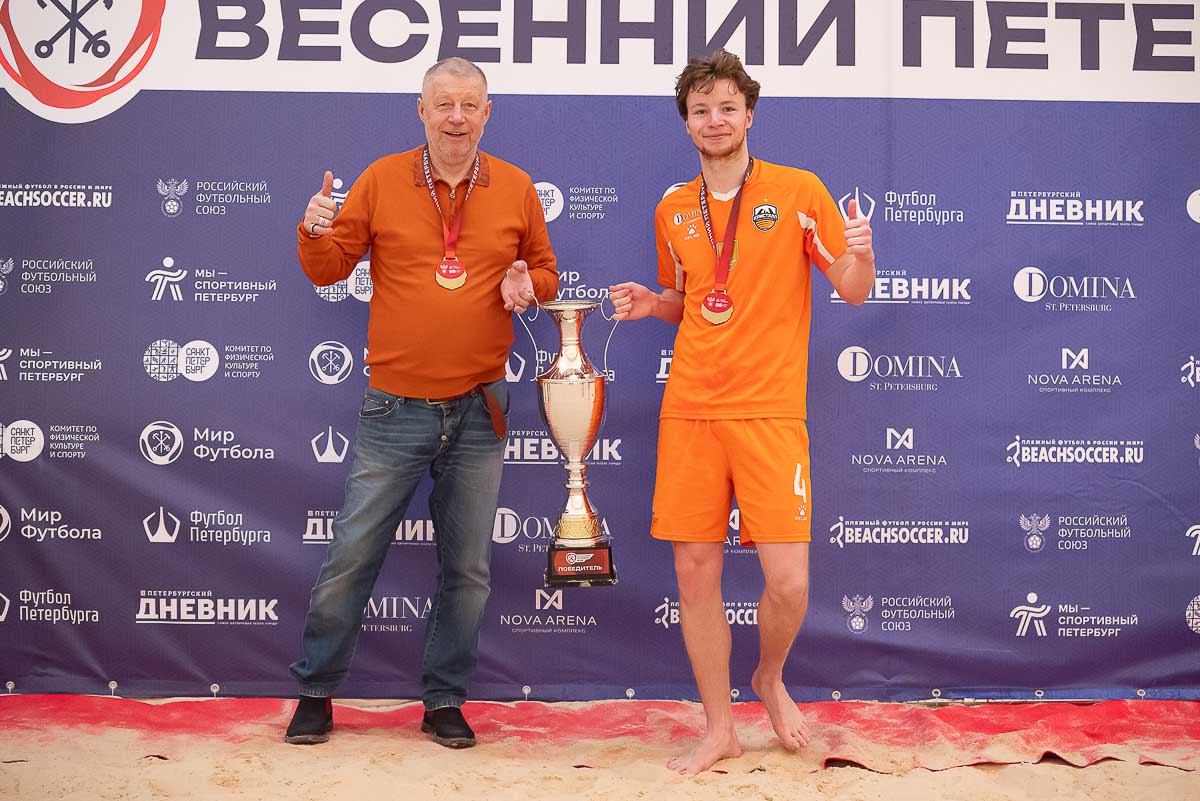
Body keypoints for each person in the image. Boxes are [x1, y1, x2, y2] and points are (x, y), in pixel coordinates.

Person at [609, 50, 874, 774]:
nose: (715, 120)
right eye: (701, 110)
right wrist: (653, 303)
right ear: (686, 123)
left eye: (727, 107)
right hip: (691, 410)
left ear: (749, 115)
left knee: (788, 582)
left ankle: (768, 675)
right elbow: (692, 300)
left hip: (770, 413)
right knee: (696, 573)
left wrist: (861, 254)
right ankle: (719, 726)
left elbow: (852, 289)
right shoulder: (672, 208)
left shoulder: (798, 190)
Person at [285, 57, 558, 748]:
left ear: (487, 113)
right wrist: (314, 229)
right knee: (352, 556)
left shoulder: (517, 186)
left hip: (480, 409)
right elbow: (328, 268)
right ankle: (315, 690)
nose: (456, 117)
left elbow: (546, 271)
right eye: (444, 104)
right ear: (422, 110)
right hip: (395, 407)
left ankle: (443, 700)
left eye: (469, 105)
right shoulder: (382, 179)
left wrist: (530, 284)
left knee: (467, 569)